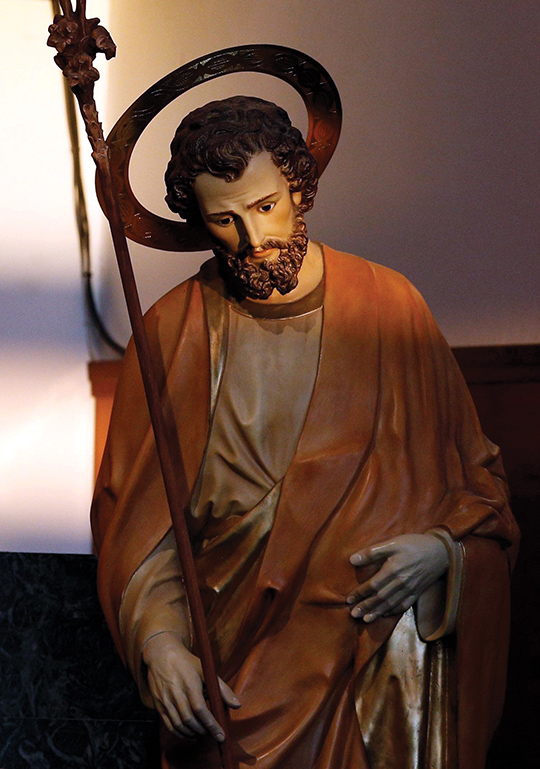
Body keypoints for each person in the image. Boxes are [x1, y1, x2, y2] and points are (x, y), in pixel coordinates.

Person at [91, 96, 519, 769]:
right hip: (236, 670)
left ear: (298, 186)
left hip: (381, 658)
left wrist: (445, 552)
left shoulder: (389, 309)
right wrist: (162, 643)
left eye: (266, 206)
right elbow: (139, 531)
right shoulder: (171, 335)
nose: (253, 238)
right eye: (224, 220)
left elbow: (481, 488)